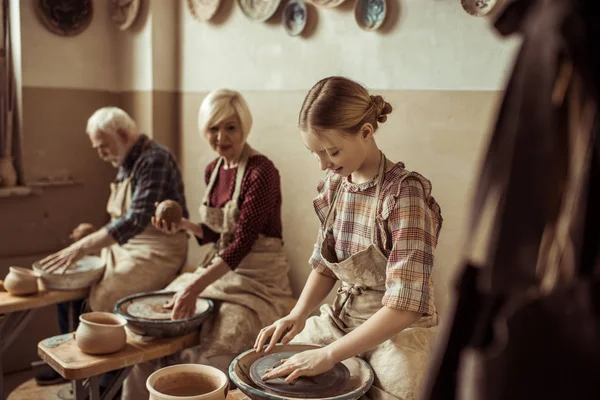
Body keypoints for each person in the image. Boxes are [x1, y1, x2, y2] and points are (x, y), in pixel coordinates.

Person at [254, 77, 443, 400]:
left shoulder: (403, 196)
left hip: (396, 330)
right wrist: (297, 314)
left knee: (400, 391)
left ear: (366, 132)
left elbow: (406, 306)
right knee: (274, 375)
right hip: (342, 319)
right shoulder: (335, 186)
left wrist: (329, 355)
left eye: (332, 151)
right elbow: (324, 266)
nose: (324, 163)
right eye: (314, 153)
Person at [122, 89, 293, 399]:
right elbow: (220, 234)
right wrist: (184, 226)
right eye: (213, 128)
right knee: (155, 325)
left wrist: (194, 287)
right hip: (221, 272)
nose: (221, 137)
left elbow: (241, 243)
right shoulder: (213, 170)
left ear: (244, 127)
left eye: (230, 127)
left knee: (221, 346)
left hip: (258, 281)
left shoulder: (261, 171)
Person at [36, 107, 189, 385]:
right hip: (127, 245)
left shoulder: (154, 159)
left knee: (106, 294)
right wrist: (90, 236)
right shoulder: (125, 159)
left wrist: (84, 246)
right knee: (69, 277)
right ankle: (68, 361)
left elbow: (136, 219)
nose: (100, 152)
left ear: (122, 134)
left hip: (158, 248)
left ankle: (106, 377)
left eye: (103, 145)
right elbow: (118, 218)